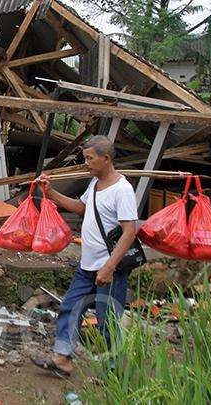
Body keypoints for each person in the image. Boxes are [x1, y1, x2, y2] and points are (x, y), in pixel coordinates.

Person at [33, 135, 139, 377]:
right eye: (85, 159)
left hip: (109, 269)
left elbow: (129, 231)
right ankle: (62, 359)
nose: (86, 164)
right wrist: (50, 193)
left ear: (106, 159)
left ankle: (115, 372)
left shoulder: (122, 190)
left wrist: (109, 267)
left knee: (107, 320)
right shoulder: (95, 184)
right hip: (88, 265)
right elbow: (81, 208)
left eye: (90, 159)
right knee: (70, 307)